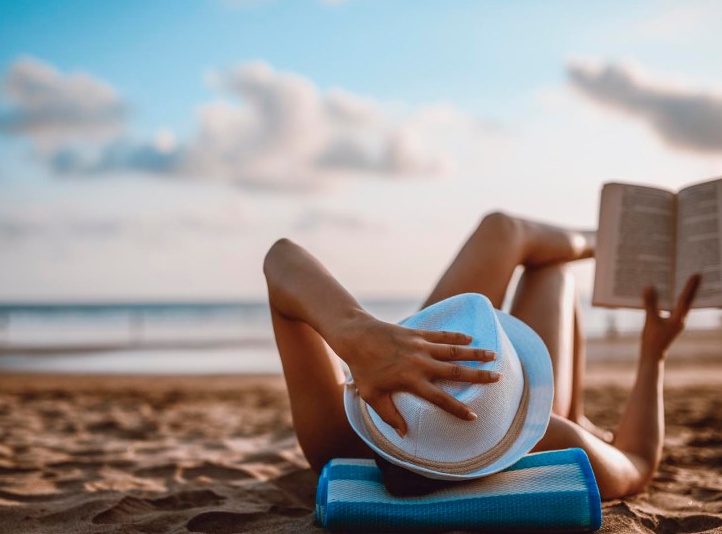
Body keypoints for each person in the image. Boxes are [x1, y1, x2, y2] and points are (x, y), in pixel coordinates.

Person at [263, 212, 700, 500]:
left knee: (502, 231)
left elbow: (281, 258)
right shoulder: (552, 441)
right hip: (551, 423)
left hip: (412, 378)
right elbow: (638, 461)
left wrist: (357, 332)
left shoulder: (338, 441)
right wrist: (654, 354)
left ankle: (603, 242)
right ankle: (605, 244)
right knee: (549, 270)